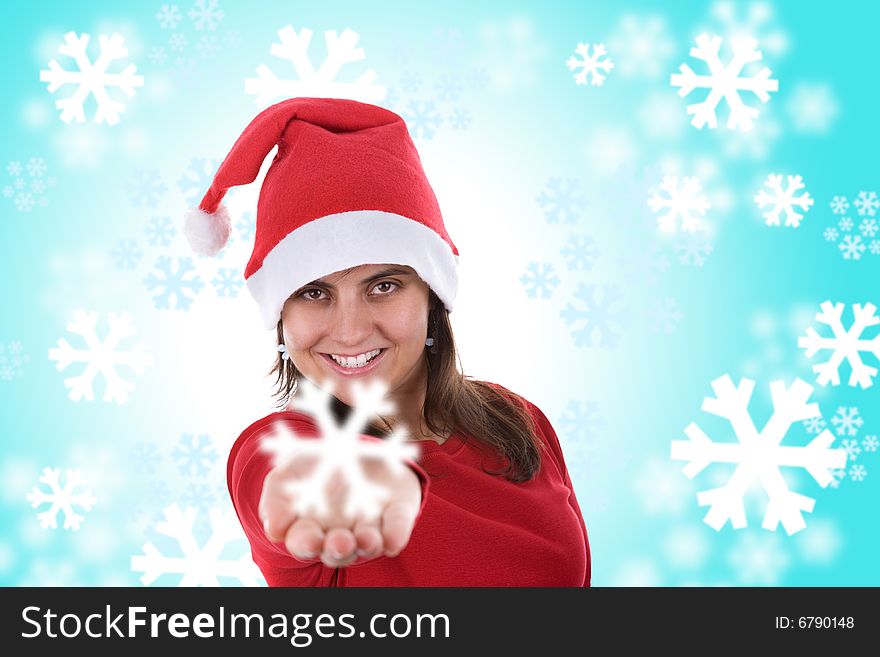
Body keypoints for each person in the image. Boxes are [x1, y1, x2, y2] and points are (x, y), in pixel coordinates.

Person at [184, 97, 590, 586]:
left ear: (433, 298)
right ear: (281, 319)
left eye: (384, 286)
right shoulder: (281, 447)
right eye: (314, 292)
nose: (351, 330)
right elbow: (278, 477)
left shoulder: (518, 419)